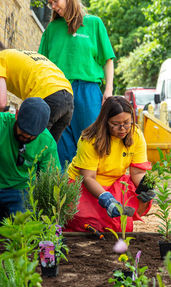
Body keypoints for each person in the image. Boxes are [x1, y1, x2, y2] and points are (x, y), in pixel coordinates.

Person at [0, 97, 60, 232]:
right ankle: (1, 220)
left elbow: (50, 182)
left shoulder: (47, 142)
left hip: (21, 192)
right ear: (17, 114)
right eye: (23, 128)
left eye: (32, 134)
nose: (26, 135)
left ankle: (2, 221)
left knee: (26, 231)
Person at [38, 0, 115, 167]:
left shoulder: (94, 23)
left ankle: (94, 190)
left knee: (91, 143)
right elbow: (41, 65)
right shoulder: (52, 29)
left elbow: (107, 60)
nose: (53, 6)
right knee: (61, 146)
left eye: (55, 1)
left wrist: (108, 89)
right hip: (56, 91)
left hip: (87, 91)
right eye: (50, 3)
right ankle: (68, 191)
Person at [64, 96, 153, 233]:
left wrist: (145, 187)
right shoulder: (89, 139)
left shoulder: (136, 135)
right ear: (105, 121)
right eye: (116, 124)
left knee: (135, 197)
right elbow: (88, 178)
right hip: (84, 185)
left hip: (115, 183)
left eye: (127, 123)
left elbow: (137, 172)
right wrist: (105, 197)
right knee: (89, 223)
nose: (122, 129)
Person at [0, 37, 74, 143]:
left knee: (25, 143)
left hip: (48, 96)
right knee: (45, 152)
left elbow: (0, 103)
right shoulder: (19, 55)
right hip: (68, 99)